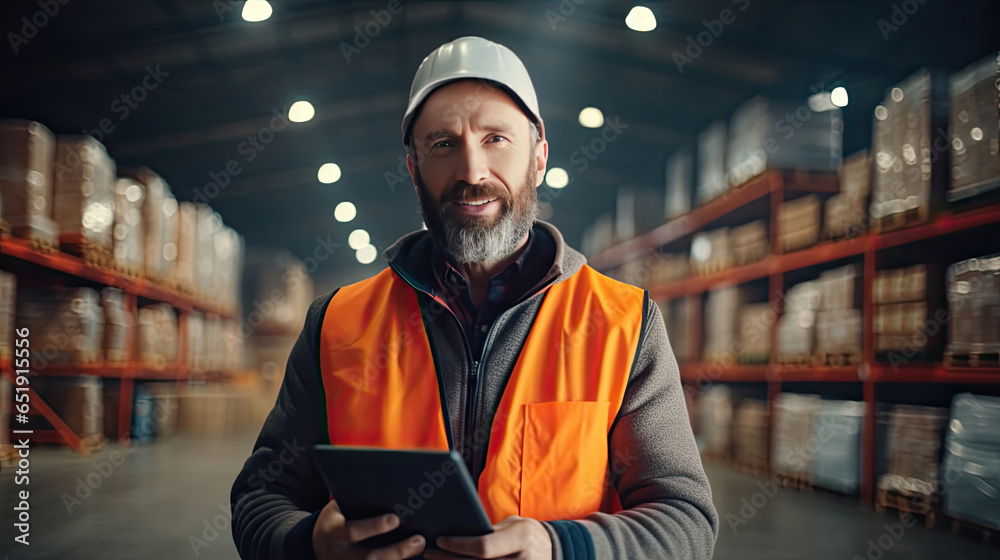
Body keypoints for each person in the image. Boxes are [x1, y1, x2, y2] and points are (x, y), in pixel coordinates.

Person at [231, 36, 718, 560]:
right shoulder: (337, 324)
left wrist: (562, 546)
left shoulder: (623, 323)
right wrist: (309, 542)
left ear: (538, 157)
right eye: (443, 144)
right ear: (414, 168)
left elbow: (684, 518)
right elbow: (260, 499)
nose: (472, 171)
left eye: (496, 139)